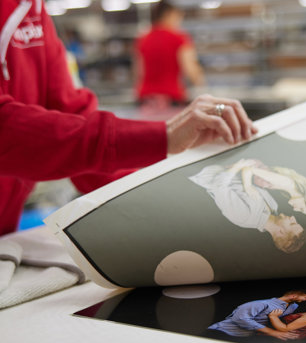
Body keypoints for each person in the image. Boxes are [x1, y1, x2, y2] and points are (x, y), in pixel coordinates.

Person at [0, 0, 256, 237]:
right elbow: (7, 130)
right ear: (172, 15)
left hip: (148, 102)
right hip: (172, 104)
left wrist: (156, 197)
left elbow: (76, 114)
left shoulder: (142, 39)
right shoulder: (179, 38)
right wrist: (162, 132)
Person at [189, 161, 306, 253]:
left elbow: (217, 186)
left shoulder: (245, 217)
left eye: (292, 223)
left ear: (281, 232)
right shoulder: (273, 206)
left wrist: (237, 166)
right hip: (225, 161)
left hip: (202, 168)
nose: (293, 217)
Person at [134, 0, 205, 106]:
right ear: (169, 15)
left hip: (146, 99)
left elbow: (139, 71)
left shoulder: (143, 39)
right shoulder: (179, 38)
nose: (179, 22)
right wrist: (202, 87)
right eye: (178, 17)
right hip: (172, 97)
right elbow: (190, 68)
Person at [207, 290, 306, 340]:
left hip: (246, 337)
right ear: (293, 296)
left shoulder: (293, 307)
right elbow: (240, 318)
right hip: (223, 333)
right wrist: (272, 332)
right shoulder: (262, 304)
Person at [232, 159, 306, 216]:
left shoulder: (286, 188)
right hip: (239, 166)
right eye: (301, 208)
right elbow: (248, 169)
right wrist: (248, 187)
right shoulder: (286, 183)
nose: (295, 209)